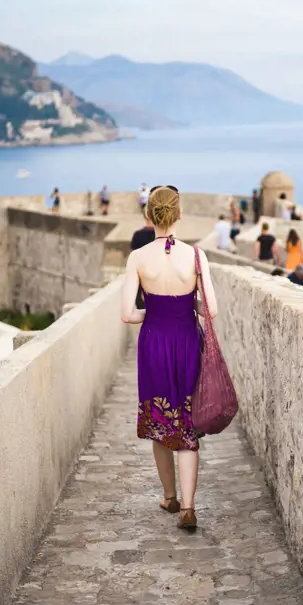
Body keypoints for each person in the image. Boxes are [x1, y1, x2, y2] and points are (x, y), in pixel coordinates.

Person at [122, 185, 217, 531]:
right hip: (187, 341)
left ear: (149, 216)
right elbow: (213, 310)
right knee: (186, 421)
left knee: (160, 418)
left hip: (153, 344)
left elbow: (127, 314)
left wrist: (156, 314)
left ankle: (170, 495)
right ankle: (189, 509)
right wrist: (185, 307)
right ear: (179, 215)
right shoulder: (195, 257)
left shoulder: (138, 258)